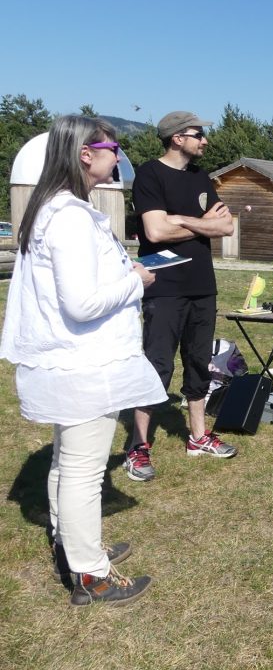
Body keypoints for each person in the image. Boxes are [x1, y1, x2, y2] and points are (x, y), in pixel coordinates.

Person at [1, 115, 163, 605]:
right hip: (84, 365)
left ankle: (72, 544)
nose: (119, 154)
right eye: (112, 145)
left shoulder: (56, 209)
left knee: (68, 461)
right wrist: (137, 279)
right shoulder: (68, 215)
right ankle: (90, 572)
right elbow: (81, 303)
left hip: (71, 362)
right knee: (83, 470)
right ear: (84, 155)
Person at [125, 111, 238, 482]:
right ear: (177, 138)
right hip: (165, 286)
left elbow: (225, 225)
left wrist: (183, 220)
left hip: (202, 285)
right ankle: (138, 446)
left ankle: (198, 436)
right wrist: (199, 223)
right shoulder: (149, 174)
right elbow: (155, 232)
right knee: (157, 365)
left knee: (198, 361)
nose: (205, 140)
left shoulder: (200, 177)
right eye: (198, 134)